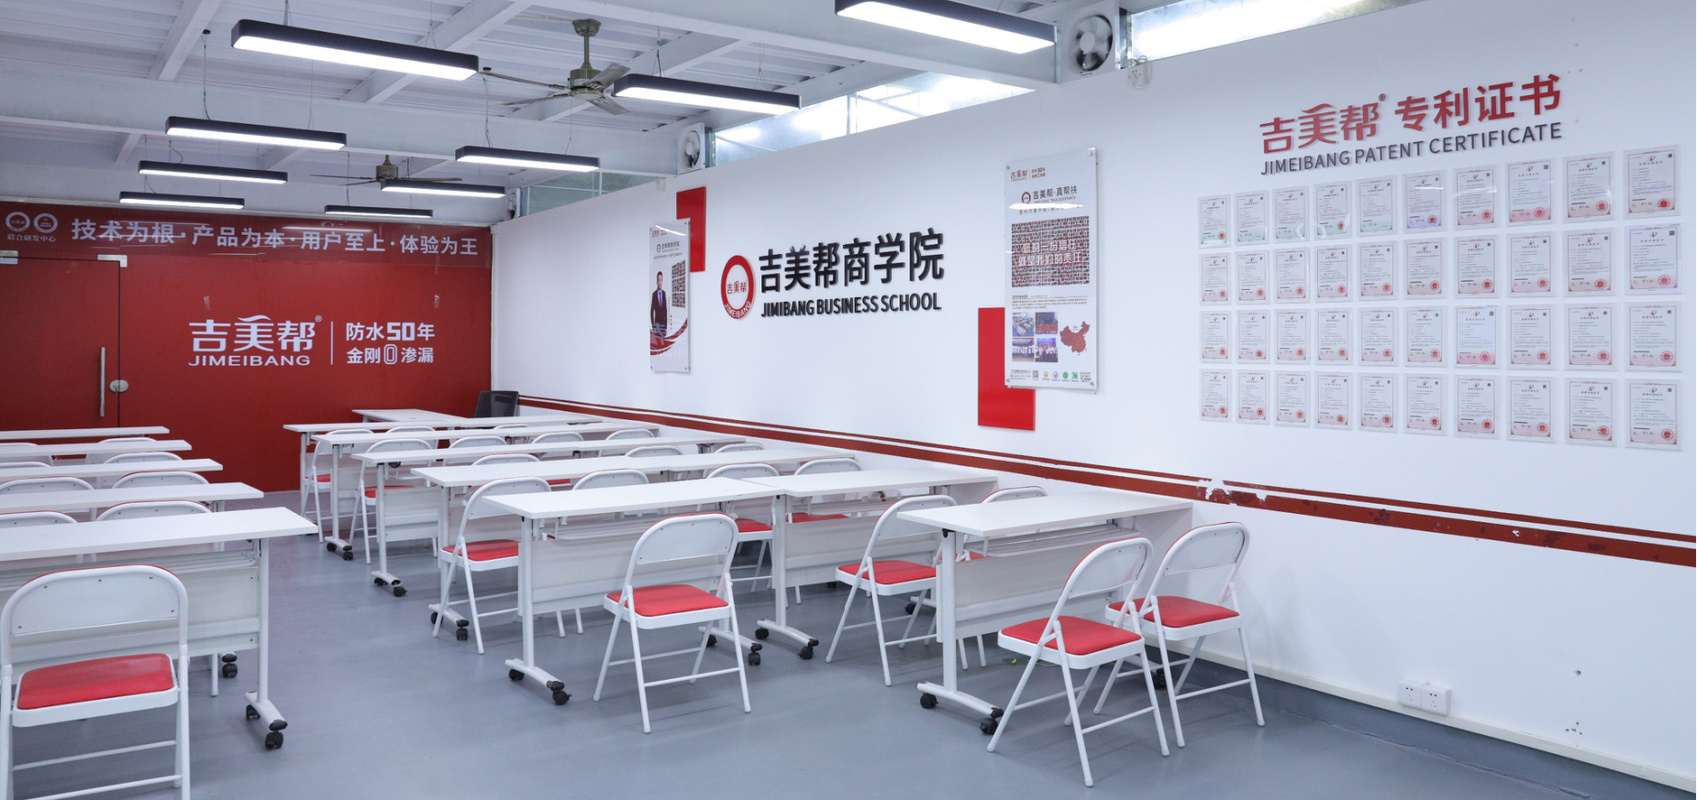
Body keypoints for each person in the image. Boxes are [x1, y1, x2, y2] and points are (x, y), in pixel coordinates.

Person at [651, 271, 668, 341]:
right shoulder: (654, 294)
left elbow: (665, 310)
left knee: (663, 343)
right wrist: (653, 327)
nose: (659, 282)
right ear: (656, 281)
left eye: (661, 280)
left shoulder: (664, 293)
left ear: (662, 281)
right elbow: (651, 311)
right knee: (657, 343)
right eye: (658, 280)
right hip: (657, 325)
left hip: (663, 325)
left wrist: (666, 327)